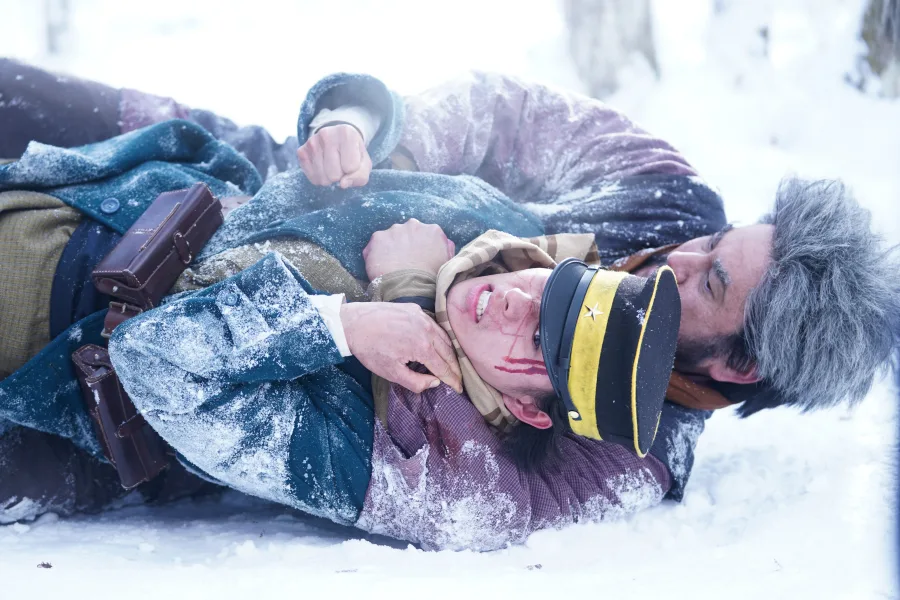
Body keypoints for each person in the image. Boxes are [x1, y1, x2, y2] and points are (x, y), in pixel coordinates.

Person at [0, 61, 897, 548]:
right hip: (223, 185)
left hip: (120, 380)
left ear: (740, 365)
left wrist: (401, 296)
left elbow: (471, 500)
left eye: (710, 281)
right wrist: (364, 134)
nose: (677, 258)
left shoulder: (627, 453)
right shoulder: (669, 203)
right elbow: (503, 113)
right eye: (718, 240)